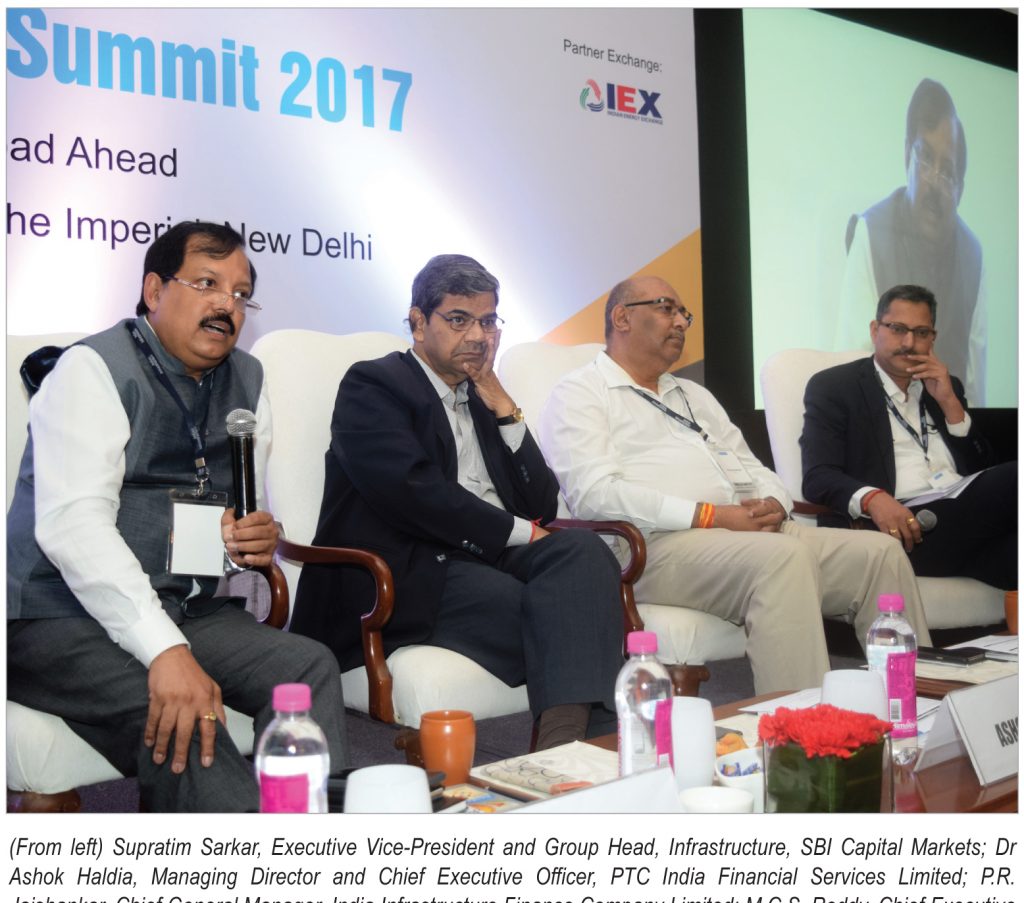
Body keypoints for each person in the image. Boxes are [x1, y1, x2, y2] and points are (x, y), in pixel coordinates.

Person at [6, 221, 347, 812]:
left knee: (306, 666)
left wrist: (250, 537)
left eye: (240, 294)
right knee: (186, 715)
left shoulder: (248, 380)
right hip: (59, 616)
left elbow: (230, 514)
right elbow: (74, 528)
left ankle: (310, 837)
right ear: (154, 290)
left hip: (185, 606)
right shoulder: (91, 369)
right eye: (207, 283)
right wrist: (166, 651)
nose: (227, 305)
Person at [290, 254, 624, 748]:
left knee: (585, 553)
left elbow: (541, 503)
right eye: (460, 319)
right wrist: (521, 532)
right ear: (418, 322)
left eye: (488, 321)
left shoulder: (482, 395)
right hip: (408, 567)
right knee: (560, 611)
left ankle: (565, 751)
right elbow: (413, 492)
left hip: (484, 555)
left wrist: (505, 406)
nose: (478, 336)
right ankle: (579, 748)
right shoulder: (374, 385)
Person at [538, 275, 931, 695]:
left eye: (683, 313)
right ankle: (801, 727)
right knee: (782, 559)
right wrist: (711, 516)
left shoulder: (693, 395)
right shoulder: (580, 393)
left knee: (880, 554)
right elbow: (595, 495)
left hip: (746, 535)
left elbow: (754, 468)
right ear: (622, 318)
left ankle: (915, 706)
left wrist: (775, 504)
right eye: (666, 308)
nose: (681, 322)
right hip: (652, 547)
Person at [802, 284, 1015, 591]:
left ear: (933, 338)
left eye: (921, 332)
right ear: (875, 330)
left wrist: (950, 404)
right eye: (898, 329)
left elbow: (985, 472)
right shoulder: (836, 387)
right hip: (903, 525)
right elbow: (818, 477)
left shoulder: (946, 386)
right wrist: (873, 499)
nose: (909, 342)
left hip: (963, 524)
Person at [836, 78, 986, 405]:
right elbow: (853, 359)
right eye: (925, 158)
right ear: (907, 155)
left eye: (947, 172)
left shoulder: (973, 256)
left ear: (960, 190)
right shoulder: (871, 231)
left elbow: (975, 389)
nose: (934, 182)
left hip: (946, 424)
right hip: (880, 422)